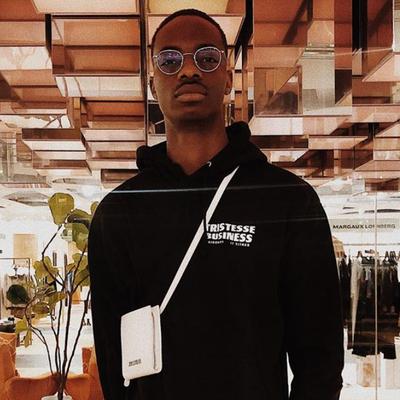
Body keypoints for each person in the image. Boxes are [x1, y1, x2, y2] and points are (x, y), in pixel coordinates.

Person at [88, 8, 344, 400]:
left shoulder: (287, 201)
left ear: (227, 77)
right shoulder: (119, 212)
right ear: (153, 83)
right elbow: (112, 359)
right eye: (170, 60)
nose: (189, 70)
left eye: (207, 57)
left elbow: (320, 361)